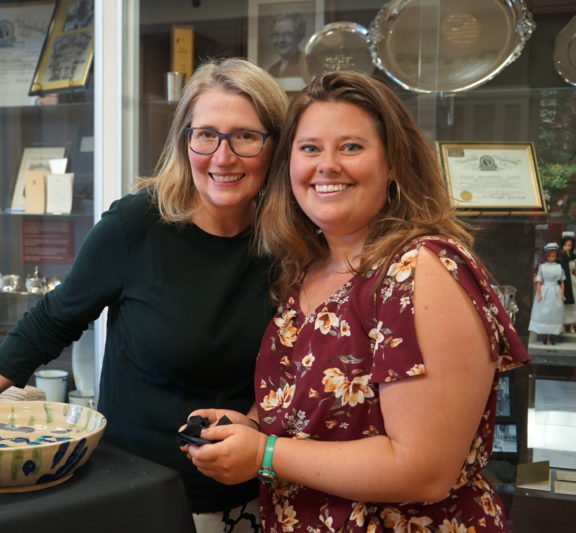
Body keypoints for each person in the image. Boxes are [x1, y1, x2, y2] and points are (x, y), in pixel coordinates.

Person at [0, 58, 288, 532]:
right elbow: (51, 321)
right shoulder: (137, 224)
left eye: (245, 136)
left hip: (250, 492)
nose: (222, 156)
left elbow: (297, 368)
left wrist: (252, 427)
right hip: (134, 490)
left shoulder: (293, 242)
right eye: (205, 134)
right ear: (184, 141)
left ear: (275, 146)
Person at [182, 71, 529, 531]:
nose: (327, 165)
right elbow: (315, 417)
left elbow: (423, 471)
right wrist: (248, 429)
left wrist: (265, 454)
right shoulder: (306, 268)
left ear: (393, 165)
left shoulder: (423, 269)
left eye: (350, 147)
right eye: (309, 149)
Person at [529, 242, 566, 345]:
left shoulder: (559, 267)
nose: (551, 258)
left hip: (555, 291)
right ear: (546, 256)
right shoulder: (542, 267)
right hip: (545, 291)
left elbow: (562, 282)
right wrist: (539, 293)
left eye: (553, 256)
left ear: (556, 256)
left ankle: (553, 336)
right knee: (544, 314)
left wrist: (562, 294)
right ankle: (545, 336)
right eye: (549, 256)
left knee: (554, 314)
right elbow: (539, 282)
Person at [558, 233, 576, 333]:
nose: (567, 247)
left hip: (573, 283)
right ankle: (563, 325)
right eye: (565, 245)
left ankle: (572, 325)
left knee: (574, 305)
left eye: (569, 245)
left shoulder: (574, 257)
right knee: (563, 305)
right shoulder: (559, 257)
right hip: (563, 283)